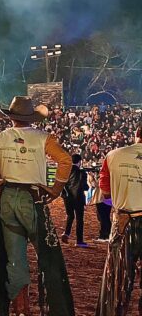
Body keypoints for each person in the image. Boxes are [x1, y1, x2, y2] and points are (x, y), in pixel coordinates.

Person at [0, 97, 74, 316]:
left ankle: (20, 310)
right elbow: (65, 160)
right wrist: (56, 189)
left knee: (15, 259)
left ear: (12, 117)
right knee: (48, 255)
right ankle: (57, 309)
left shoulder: (0, 138)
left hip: (8, 198)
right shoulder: (43, 138)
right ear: (31, 118)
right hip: (32, 199)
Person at [95, 123, 142, 315]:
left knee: (116, 279)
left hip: (123, 222)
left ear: (136, 133)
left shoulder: (113, 155)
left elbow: (105, 192)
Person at [61, 153, 88, 247]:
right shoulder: (82, 173)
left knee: (70, 215)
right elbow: (85, 187)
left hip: (67, 197)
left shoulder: (66, 171)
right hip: (78, 198)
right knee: (79, 219)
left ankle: (67, 233)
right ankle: (79, 241)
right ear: (80, 162)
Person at [87, 167, 112, 242]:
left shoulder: (102, 177)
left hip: (101, 198)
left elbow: (94, 185)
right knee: (105, 217)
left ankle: (104, 235)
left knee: (102, 217)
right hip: (108, 199)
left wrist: (92, 177)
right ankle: (108, 234)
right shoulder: (110, 176)